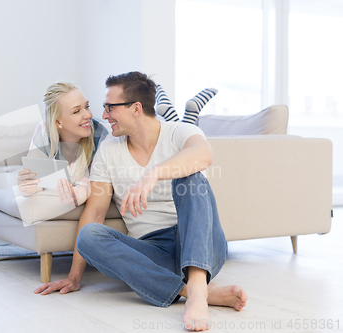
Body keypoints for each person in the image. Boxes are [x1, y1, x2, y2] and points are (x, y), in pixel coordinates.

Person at [34, 72, 247, 331]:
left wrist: (153, 173)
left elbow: (203, 154)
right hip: (154, 252)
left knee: (190, 178)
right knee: (88, 235)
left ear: (136, 108)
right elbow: (95, 213)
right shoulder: (109, 150)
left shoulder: (180, 132)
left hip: (201, 243)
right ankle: (193, 291)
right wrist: (74, 276)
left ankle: (198, 293)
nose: (103, 115)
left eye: (110, 107)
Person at [17, 82, 217, 207]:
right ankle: (174, 111)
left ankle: (185, 114)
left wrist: (75, 194)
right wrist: (27, 186)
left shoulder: (101, 137)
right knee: (174, 133)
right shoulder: (44, 132)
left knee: (176, 141)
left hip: (153, 144)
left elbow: (91, 185)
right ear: (57, 122)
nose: (88, 115)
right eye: (76, 111)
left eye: (87, 107)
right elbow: (33, 179)